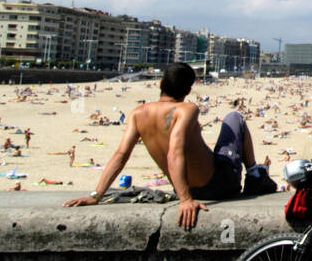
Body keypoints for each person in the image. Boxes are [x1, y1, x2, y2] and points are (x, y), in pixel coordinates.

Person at [63, 62, 274, 228]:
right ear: (189, 91)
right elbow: (175, 152)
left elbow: (121, 154)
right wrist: (185, 200)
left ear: (161, 84)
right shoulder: (186, 109)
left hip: (184, 186)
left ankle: (254, 174)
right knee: (234, 117)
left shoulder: (138, 114)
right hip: (219, 185)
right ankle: (255, 174)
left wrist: (96, 195)